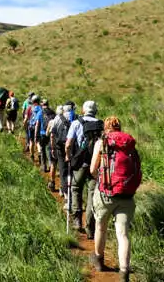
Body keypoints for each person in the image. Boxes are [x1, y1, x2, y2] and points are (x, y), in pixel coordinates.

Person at [89, 116, 141, 281]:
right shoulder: (129, 145)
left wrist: (101, 180)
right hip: (126, 195)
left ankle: (99, 260)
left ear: (106, 128)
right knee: (123, 234)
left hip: (106, 193)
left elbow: (92, 170)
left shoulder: (101, 143)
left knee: (100, 227)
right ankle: (124, 272)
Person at [64, 101, 103, 238]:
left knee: (76, 188)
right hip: (96, 163)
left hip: (80, 162)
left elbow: (68, 144)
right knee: (92, 193)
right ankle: (90, 227)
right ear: (95, 110)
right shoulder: (100, 124)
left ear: (83, 110)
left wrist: (68, 156)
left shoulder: (76, 123)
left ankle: (77, 220)